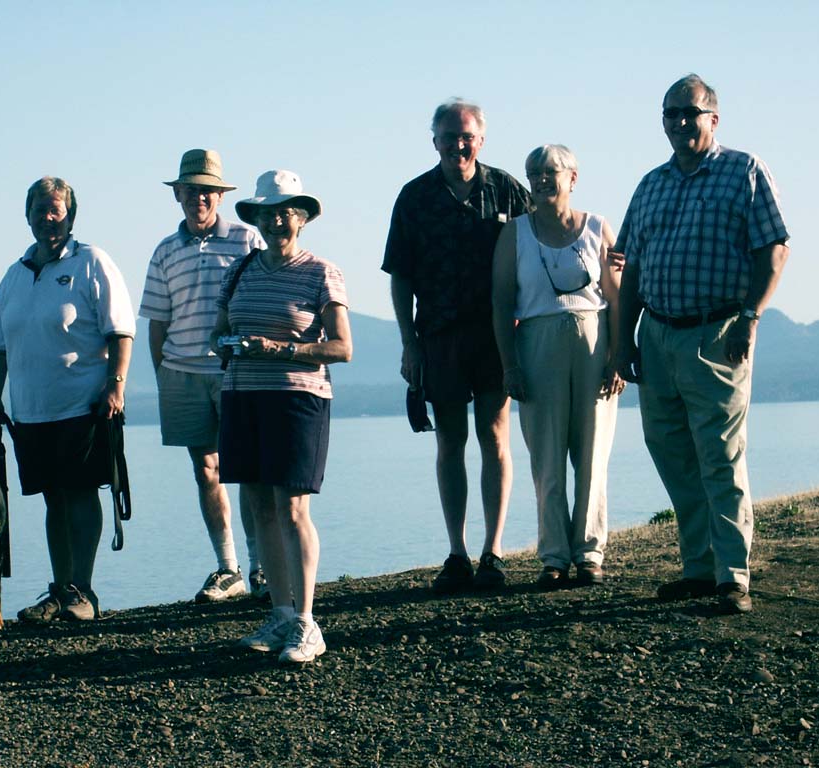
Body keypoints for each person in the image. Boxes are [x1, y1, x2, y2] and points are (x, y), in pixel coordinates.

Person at [615, 74, 789, 614]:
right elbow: (631, 268)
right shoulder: (650, 184)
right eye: (670, 114)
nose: (679, 122)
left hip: (718, 334)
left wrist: (749, 316)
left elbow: (775, 249)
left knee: (719, 457)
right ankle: (699, 568)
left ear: (714, 118)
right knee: (673, 455)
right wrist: (623, 340)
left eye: (689, 112)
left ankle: (732, 576)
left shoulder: (744, 172)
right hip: (658, 335)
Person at [382, 98, 532, 592]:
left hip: (498, 335)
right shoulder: (414, 196)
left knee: (494, 436)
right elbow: (400, 277)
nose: (459, 145)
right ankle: (457, 553)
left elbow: (541, 248)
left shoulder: (508, 190)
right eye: (449, 137)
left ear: (481, 140)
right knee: (450, 441)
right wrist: (409, 343)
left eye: (467, 136)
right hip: (439, 334)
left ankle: (494, 551)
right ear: (435, 142)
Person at [210, 170, 351, 663]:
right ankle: (282, 615)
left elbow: (341, 347)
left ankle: (309, 624)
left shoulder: (322, 273)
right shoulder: (241, 270)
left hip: (297, 399)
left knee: (292, 510)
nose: (276, 220)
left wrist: (280, 349)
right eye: (267, 212)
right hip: (243, 395)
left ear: (303, 218)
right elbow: (217, 333)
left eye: (287, 211)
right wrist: (228, 345)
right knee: (259, 508)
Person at [0, 176, 136, 622]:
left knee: (80, 493)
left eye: (56, 211)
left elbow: (120, 330)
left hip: (83, 404)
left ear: (71, 215)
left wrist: (117, 384)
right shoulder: (14, 275)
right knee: (53, 498)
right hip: (30, 411)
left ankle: (81, 592)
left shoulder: (91, 262)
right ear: (27, 215)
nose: (48, 219)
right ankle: (59, 587)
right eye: (40, 210)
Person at [492, 145, 624, 590]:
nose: (542, 180)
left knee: (592, 456)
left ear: (573, 178)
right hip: (536, 343)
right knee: (546, 459)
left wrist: (618, 356)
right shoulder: (515, 234)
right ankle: (553, 555)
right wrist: (510, 365)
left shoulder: (597, 228)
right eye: (534, 173)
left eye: (551, 172)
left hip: (594, 341)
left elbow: (618, 297)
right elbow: (501, 303)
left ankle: (589, 553)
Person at [139, 149, 267, 603]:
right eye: (191, 190)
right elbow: (157, 320)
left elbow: (260, 298)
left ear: (220, 195)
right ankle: (227, 568)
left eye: (207, 191)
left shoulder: (247, 238)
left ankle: (260, 567)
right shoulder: (164, 251)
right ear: (178, 194)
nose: (199, 198)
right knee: (206, 470)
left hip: (236, 372)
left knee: (249, 471)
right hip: (183, 374)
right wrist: (162, 375)